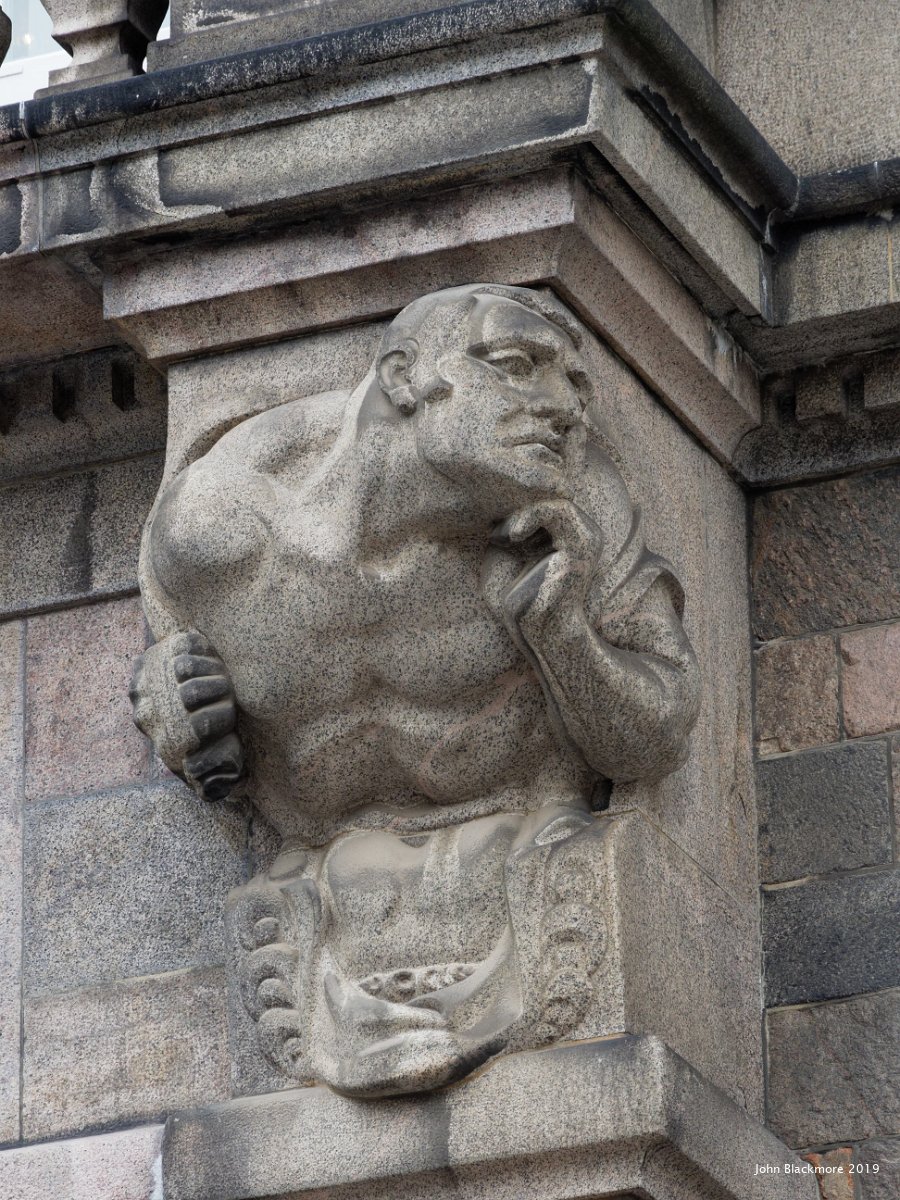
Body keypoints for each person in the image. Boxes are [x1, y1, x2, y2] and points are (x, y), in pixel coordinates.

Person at [131, 283, 700, 1094]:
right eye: (518, 365)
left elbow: (659, 733)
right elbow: (171, 639)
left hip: (526, 902)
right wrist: (171, 691)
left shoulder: (580, 514)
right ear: (404, 378)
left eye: (575, 385)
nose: (565, 409)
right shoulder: (219, 525)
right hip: (312, 932)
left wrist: (564, 634)